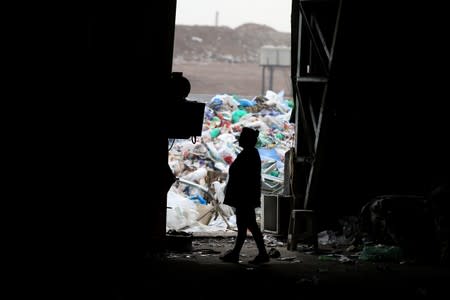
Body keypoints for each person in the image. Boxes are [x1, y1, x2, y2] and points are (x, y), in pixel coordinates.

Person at [220, 127, 270, 264]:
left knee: (249, 225)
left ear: (247, 140)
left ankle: (261, 254)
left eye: (242, 138)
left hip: (244, 197)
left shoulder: (250, 154)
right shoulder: (249, 153)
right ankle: (239, 253)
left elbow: (245, 177)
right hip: (244, 196)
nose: (239, 140)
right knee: (244, 225)